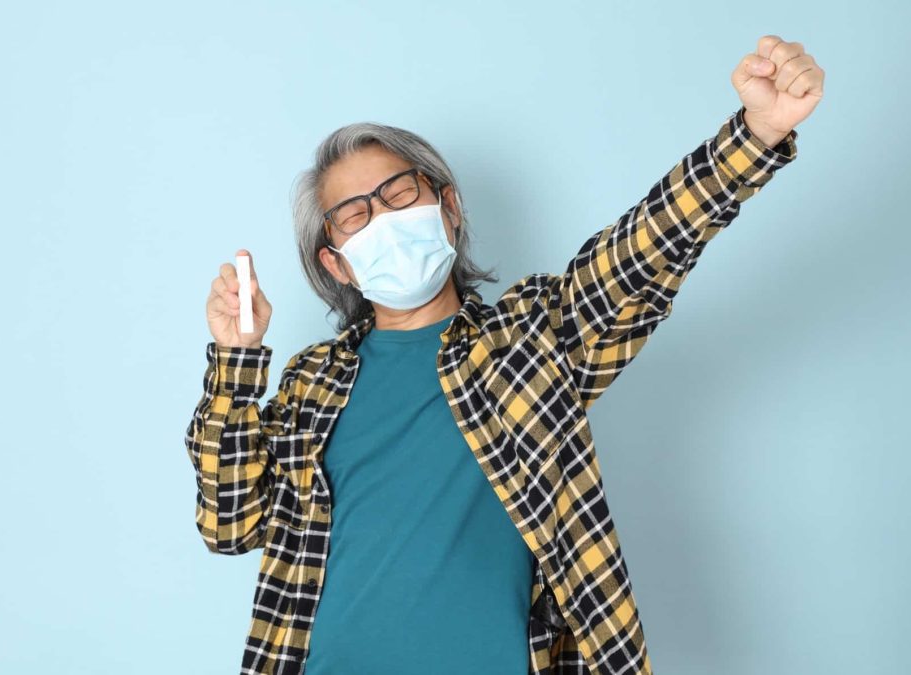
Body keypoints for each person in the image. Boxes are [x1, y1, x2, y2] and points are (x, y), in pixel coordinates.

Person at [187, 34, 824, 675]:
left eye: (397, 193)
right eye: (353, 214)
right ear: (336, 263)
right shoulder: (311, 384)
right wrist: (234, 365)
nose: (380, 218)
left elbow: (640, 255)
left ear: (450, 206)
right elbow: (231, 525)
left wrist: (755, 134)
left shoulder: (532, 337)